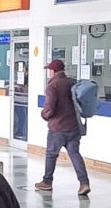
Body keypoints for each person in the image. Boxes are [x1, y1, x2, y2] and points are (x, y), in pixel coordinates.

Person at [36, 59, 90, 196]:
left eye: (49, 70)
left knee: (51, 154)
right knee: (75, 154)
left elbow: (49, 108)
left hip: (57, 128)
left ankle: (47, 182)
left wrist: (44, 115)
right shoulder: (73, 83)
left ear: (53, 71)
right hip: (74, 127)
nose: (48, 72)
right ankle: (84, 183)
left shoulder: (52, 86)